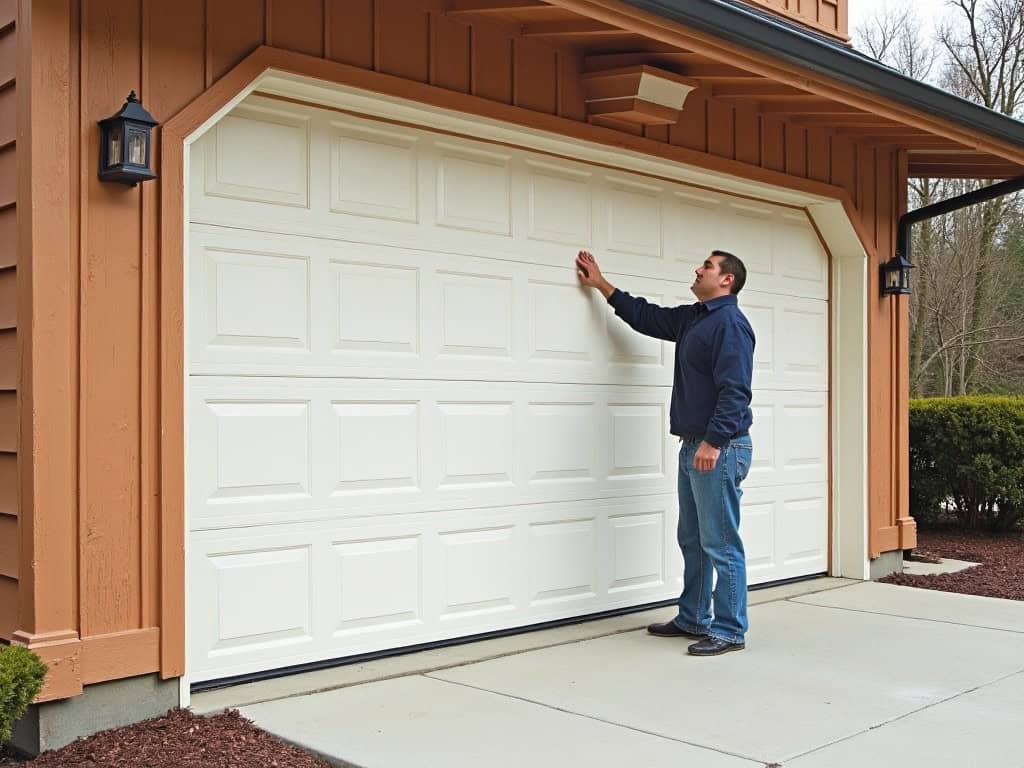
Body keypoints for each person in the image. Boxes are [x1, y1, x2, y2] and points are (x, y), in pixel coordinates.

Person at [575, 249, 755, 656]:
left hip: (719, 447)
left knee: (721, 543)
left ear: (727, 280)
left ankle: (729, 629)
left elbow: (735, 391)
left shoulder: (730, 325)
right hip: (695, 446)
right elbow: (647, 316)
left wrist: (712, 442)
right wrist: (602, 284)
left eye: (707, 266)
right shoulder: (696, 318)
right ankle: (693, 616)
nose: (697, 268)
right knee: (692, 538)